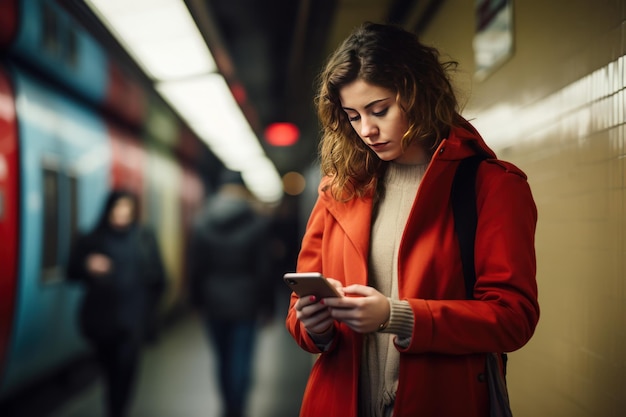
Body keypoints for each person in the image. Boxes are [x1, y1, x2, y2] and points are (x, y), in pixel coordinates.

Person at [285, 22, 540, 417]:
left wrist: (398, 317)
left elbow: (513, 318)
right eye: (353, 116)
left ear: (417, 93)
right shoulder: (340, 189)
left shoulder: (491, 185)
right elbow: (298, 318)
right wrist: (314, 324)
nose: (367, 130)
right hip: (337, 402)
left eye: (380, 110)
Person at [67, 190, 166, 417]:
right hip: (104, 320)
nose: (122, 213)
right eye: (118, 208)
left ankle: (117, 411)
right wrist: (87, 266)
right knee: (110, 370)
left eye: (127, 209)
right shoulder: (92, 239)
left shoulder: (144, 238)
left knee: (127, 369)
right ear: (109, 210)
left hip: (134, 319)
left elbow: (160, 277)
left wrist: (151, 312)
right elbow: (71, 272)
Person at [188, 168, 273, 417]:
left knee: (222, 358)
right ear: (242, 191)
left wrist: (196, 301)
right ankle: (237, 408)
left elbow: (195, 267)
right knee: (242, 359)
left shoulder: (202, 221)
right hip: (246, 301)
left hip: (213, 299)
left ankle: (227, 406)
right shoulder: (257, 223)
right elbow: (263, 270)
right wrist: (268, 306)